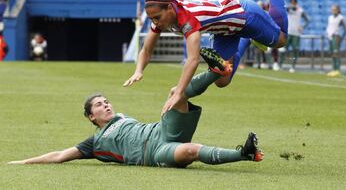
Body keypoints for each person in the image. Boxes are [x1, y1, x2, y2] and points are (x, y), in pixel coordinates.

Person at [8, 56, 263, 167]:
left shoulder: (120, 117)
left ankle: (217, 71)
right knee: (190, 150)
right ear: (91, 117)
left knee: (177, 91)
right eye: (99, 104)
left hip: (161, 129)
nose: (105, 104)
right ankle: (244, 154)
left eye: (106, 101)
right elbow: (60, 156)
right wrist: (25, 161)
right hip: (155, 152)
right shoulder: (93, 144)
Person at [124, 0, 288, 112]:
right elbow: (146, 49)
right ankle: (247, 39)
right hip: (225, 30)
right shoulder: (161, 14)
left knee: (281, 40)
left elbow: (193, 60)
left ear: (169, 8)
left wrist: (179, 92)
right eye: (152, 19)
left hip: (244, 15)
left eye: (157, 18)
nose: (155, 23)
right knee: (222, 80)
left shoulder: (188, 20)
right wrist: (138, 70)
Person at [277, 0, 309, 73]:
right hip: (288, 32)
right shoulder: (288, 9)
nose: (292, 4)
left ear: (296, 3)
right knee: (283, 49)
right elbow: (283, 9)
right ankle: (280, 64)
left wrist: (302, 27)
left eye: (294, 2)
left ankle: (292, 66)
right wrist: (289, 7)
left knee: (295, 50)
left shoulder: (301, 11)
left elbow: (307, 20)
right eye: (291, 2)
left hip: (296, 34)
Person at [326, 4, 346, 77]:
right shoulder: (330, 17)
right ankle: (333, 69)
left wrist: (341, 38)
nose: (333, 11)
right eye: (332, 9)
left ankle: (337, 69)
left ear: (338, 10)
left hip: (336, 36)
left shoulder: (340, 18)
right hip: (330, 36)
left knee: (336, 53)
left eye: (335, 9)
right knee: (332, 53)